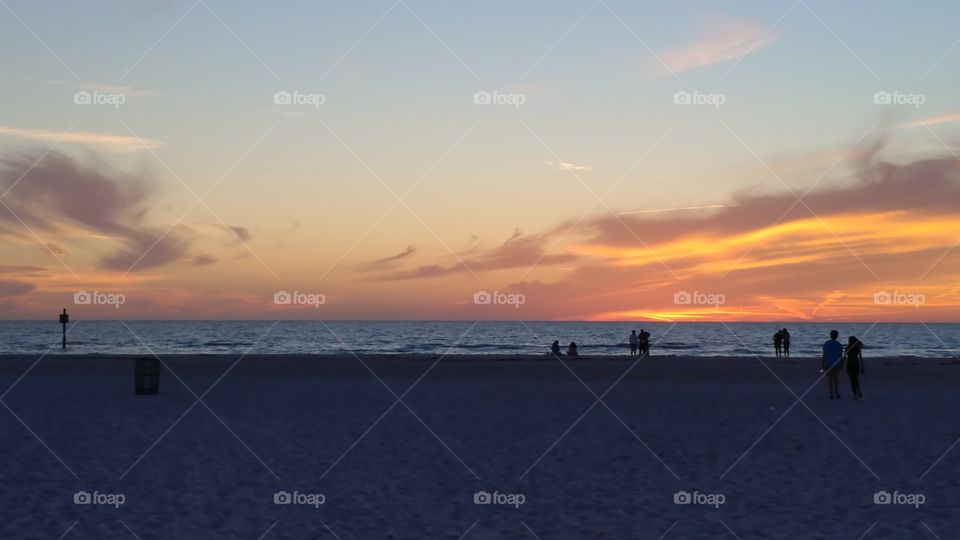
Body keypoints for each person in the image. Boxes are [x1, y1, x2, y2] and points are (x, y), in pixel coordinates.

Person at [822, 330, 844, 399]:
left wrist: (822, 363)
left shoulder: (826, 343)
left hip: (828, 363)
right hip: (836, 363)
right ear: (837, 336)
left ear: (830, 335)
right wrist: (841, 365)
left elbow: (824, 355)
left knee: (830, 379)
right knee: (835, 378)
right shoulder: (839, 345)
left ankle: (831, 394)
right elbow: (841, 356)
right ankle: (836, 392)